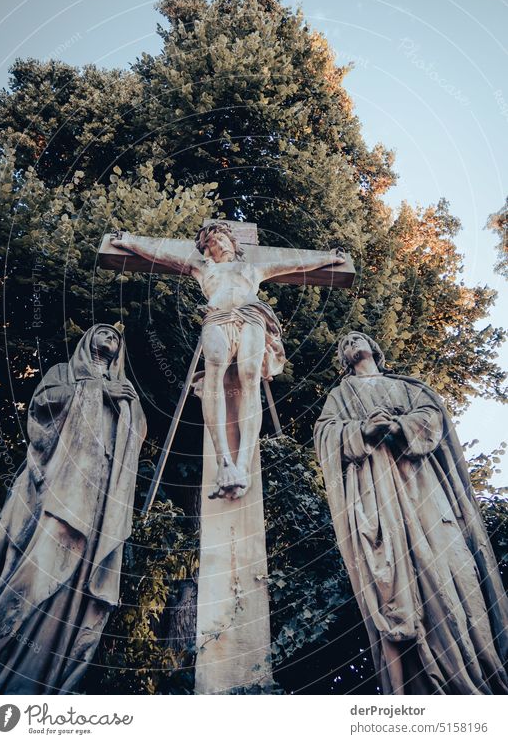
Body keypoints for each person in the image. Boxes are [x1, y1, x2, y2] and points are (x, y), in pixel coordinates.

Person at [314, 331, 508, 695]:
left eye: (358, 337)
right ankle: (419, 685)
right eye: (344, 343)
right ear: (343, 360)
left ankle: (479, 667)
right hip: (377, 492)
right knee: (394, 582)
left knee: (453, 568)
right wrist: (363, 430)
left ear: (375, 347)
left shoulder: (406, 387)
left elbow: (432, 417)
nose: (351, 342)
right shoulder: (340, 396)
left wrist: (400, 426)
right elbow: (326, 434)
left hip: (424, 487)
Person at [111, 223, 345, 499]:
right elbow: (160, 254)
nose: (218, 243)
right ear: (206, 250)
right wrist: (129, 241)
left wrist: (330, 258)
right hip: (217, 318)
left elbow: (294, 263)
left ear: (234, 244)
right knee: (214, 376)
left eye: (222, 238)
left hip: (251, 318)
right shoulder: (202, 268)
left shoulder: (252, 269)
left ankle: (243, 464)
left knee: (249, 377)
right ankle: (224, 460)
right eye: (212, 242)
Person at [0, 324, 146, 694]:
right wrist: (98, 389)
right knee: (36, 569)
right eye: (104, 333)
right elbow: (42, 404)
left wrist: (126, 407)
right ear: (88, 340)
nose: (112, 339)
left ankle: (47, 677)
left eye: (117, 337)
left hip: (98, 496)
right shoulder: (63, 373)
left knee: (75, 588)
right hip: (60, 490)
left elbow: (136, 435)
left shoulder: (125, 391)